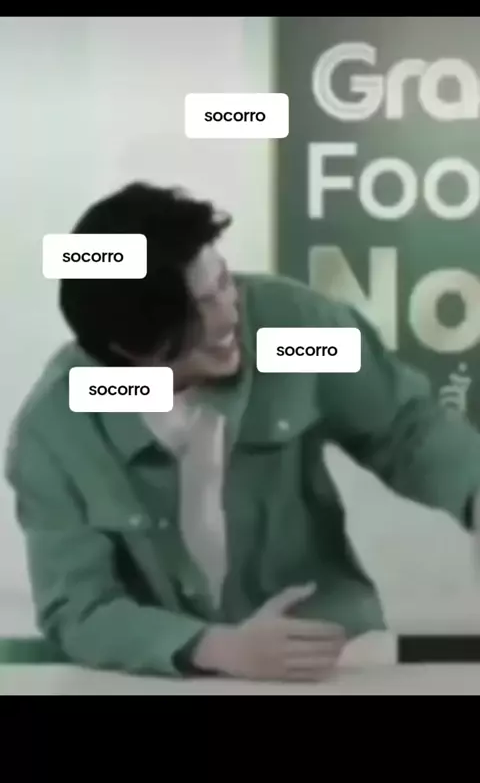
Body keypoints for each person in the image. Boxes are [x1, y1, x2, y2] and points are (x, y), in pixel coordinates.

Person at [5, 182, 480, 683]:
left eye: (223, 283)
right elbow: (80, 611)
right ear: (133, 348)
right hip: (162, 678)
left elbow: (405, 427)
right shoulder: (56, 432)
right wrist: (213, 647)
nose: (228, 314)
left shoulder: (290, 331)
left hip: (331, 657)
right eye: (200, 309)